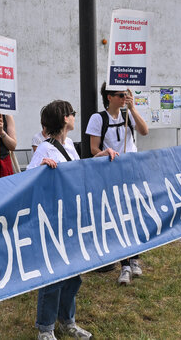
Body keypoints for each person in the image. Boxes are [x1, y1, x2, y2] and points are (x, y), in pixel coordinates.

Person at [27, 100, 117, 340]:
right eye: (72, 113)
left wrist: (103, 155)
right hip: (54, 221)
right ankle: (45, 329)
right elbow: (26, 180)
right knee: (54, 276)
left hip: (72, 218)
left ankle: (68, 321)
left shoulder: (68, 145)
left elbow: (80, 170)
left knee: (74, 274)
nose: (75, 116)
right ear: (65, 118)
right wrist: (40, 168)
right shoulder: (46, 148)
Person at [85, 83, 148, 285]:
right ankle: (125, 264)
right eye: (121, 95)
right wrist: (105, 153)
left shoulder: (127, 116)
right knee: (121, 216)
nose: (124, 98)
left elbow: (144, 131)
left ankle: (135, 257)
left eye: (126, 95)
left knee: (135, 214)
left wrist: (133, 109)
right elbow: (94, 148)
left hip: (132, 170)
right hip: (112, 173)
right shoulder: (98, 118)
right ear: (109, 97)